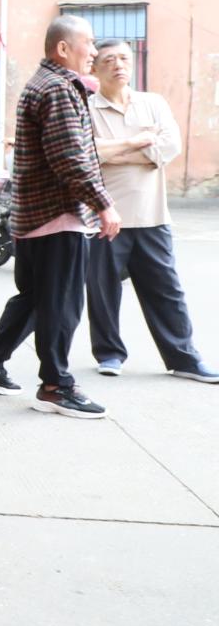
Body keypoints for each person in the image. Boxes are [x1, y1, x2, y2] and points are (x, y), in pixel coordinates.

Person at [0, 14, 122, 417]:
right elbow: (69, 158)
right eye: (90, 43)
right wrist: (103, 203)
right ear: (63, 48)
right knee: (60, 304)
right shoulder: (59, 88)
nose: (95, 52)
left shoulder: (43, 85)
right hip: (57, 215)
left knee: (33, 300)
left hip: (35, 216)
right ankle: (55, 385)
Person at [85, 40, 216, 382]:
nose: (119, 65)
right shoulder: (87, 108)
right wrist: (139, 145)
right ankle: (110, 354)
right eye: (109, 59)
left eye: (125, 58)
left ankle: (184, 358)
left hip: (152, 215)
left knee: (166, 289)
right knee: (103, 289)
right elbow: (86, 152)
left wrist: (116, 154)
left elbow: (170, 144)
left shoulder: (152, 103)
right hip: (104, 215)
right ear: (95, 68)